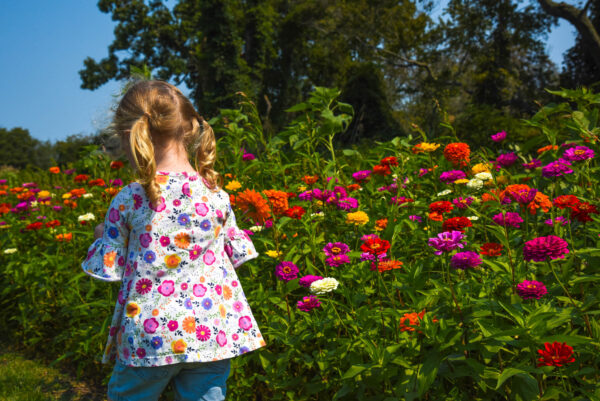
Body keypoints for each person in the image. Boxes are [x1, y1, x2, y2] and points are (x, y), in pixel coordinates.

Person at [81, 79, 266, 401]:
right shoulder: (216, 196)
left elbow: (110, 267)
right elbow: (228, 251)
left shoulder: (130, 199)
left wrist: (102, 236)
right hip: (212, 332)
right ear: (191, 129)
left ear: (129, 136)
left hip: (151, 334)